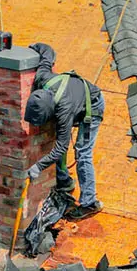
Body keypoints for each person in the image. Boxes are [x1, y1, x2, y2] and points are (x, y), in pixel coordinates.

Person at [22, 41, 105, 219]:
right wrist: (27, 50)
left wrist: (38, 166)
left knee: (83, 154)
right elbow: (46, 50)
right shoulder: (42, 77)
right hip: (73, 98)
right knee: (59, 141)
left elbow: (60, 147)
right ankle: (65, 181)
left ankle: (89, 202)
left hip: (92, 106)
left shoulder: (63, 110)